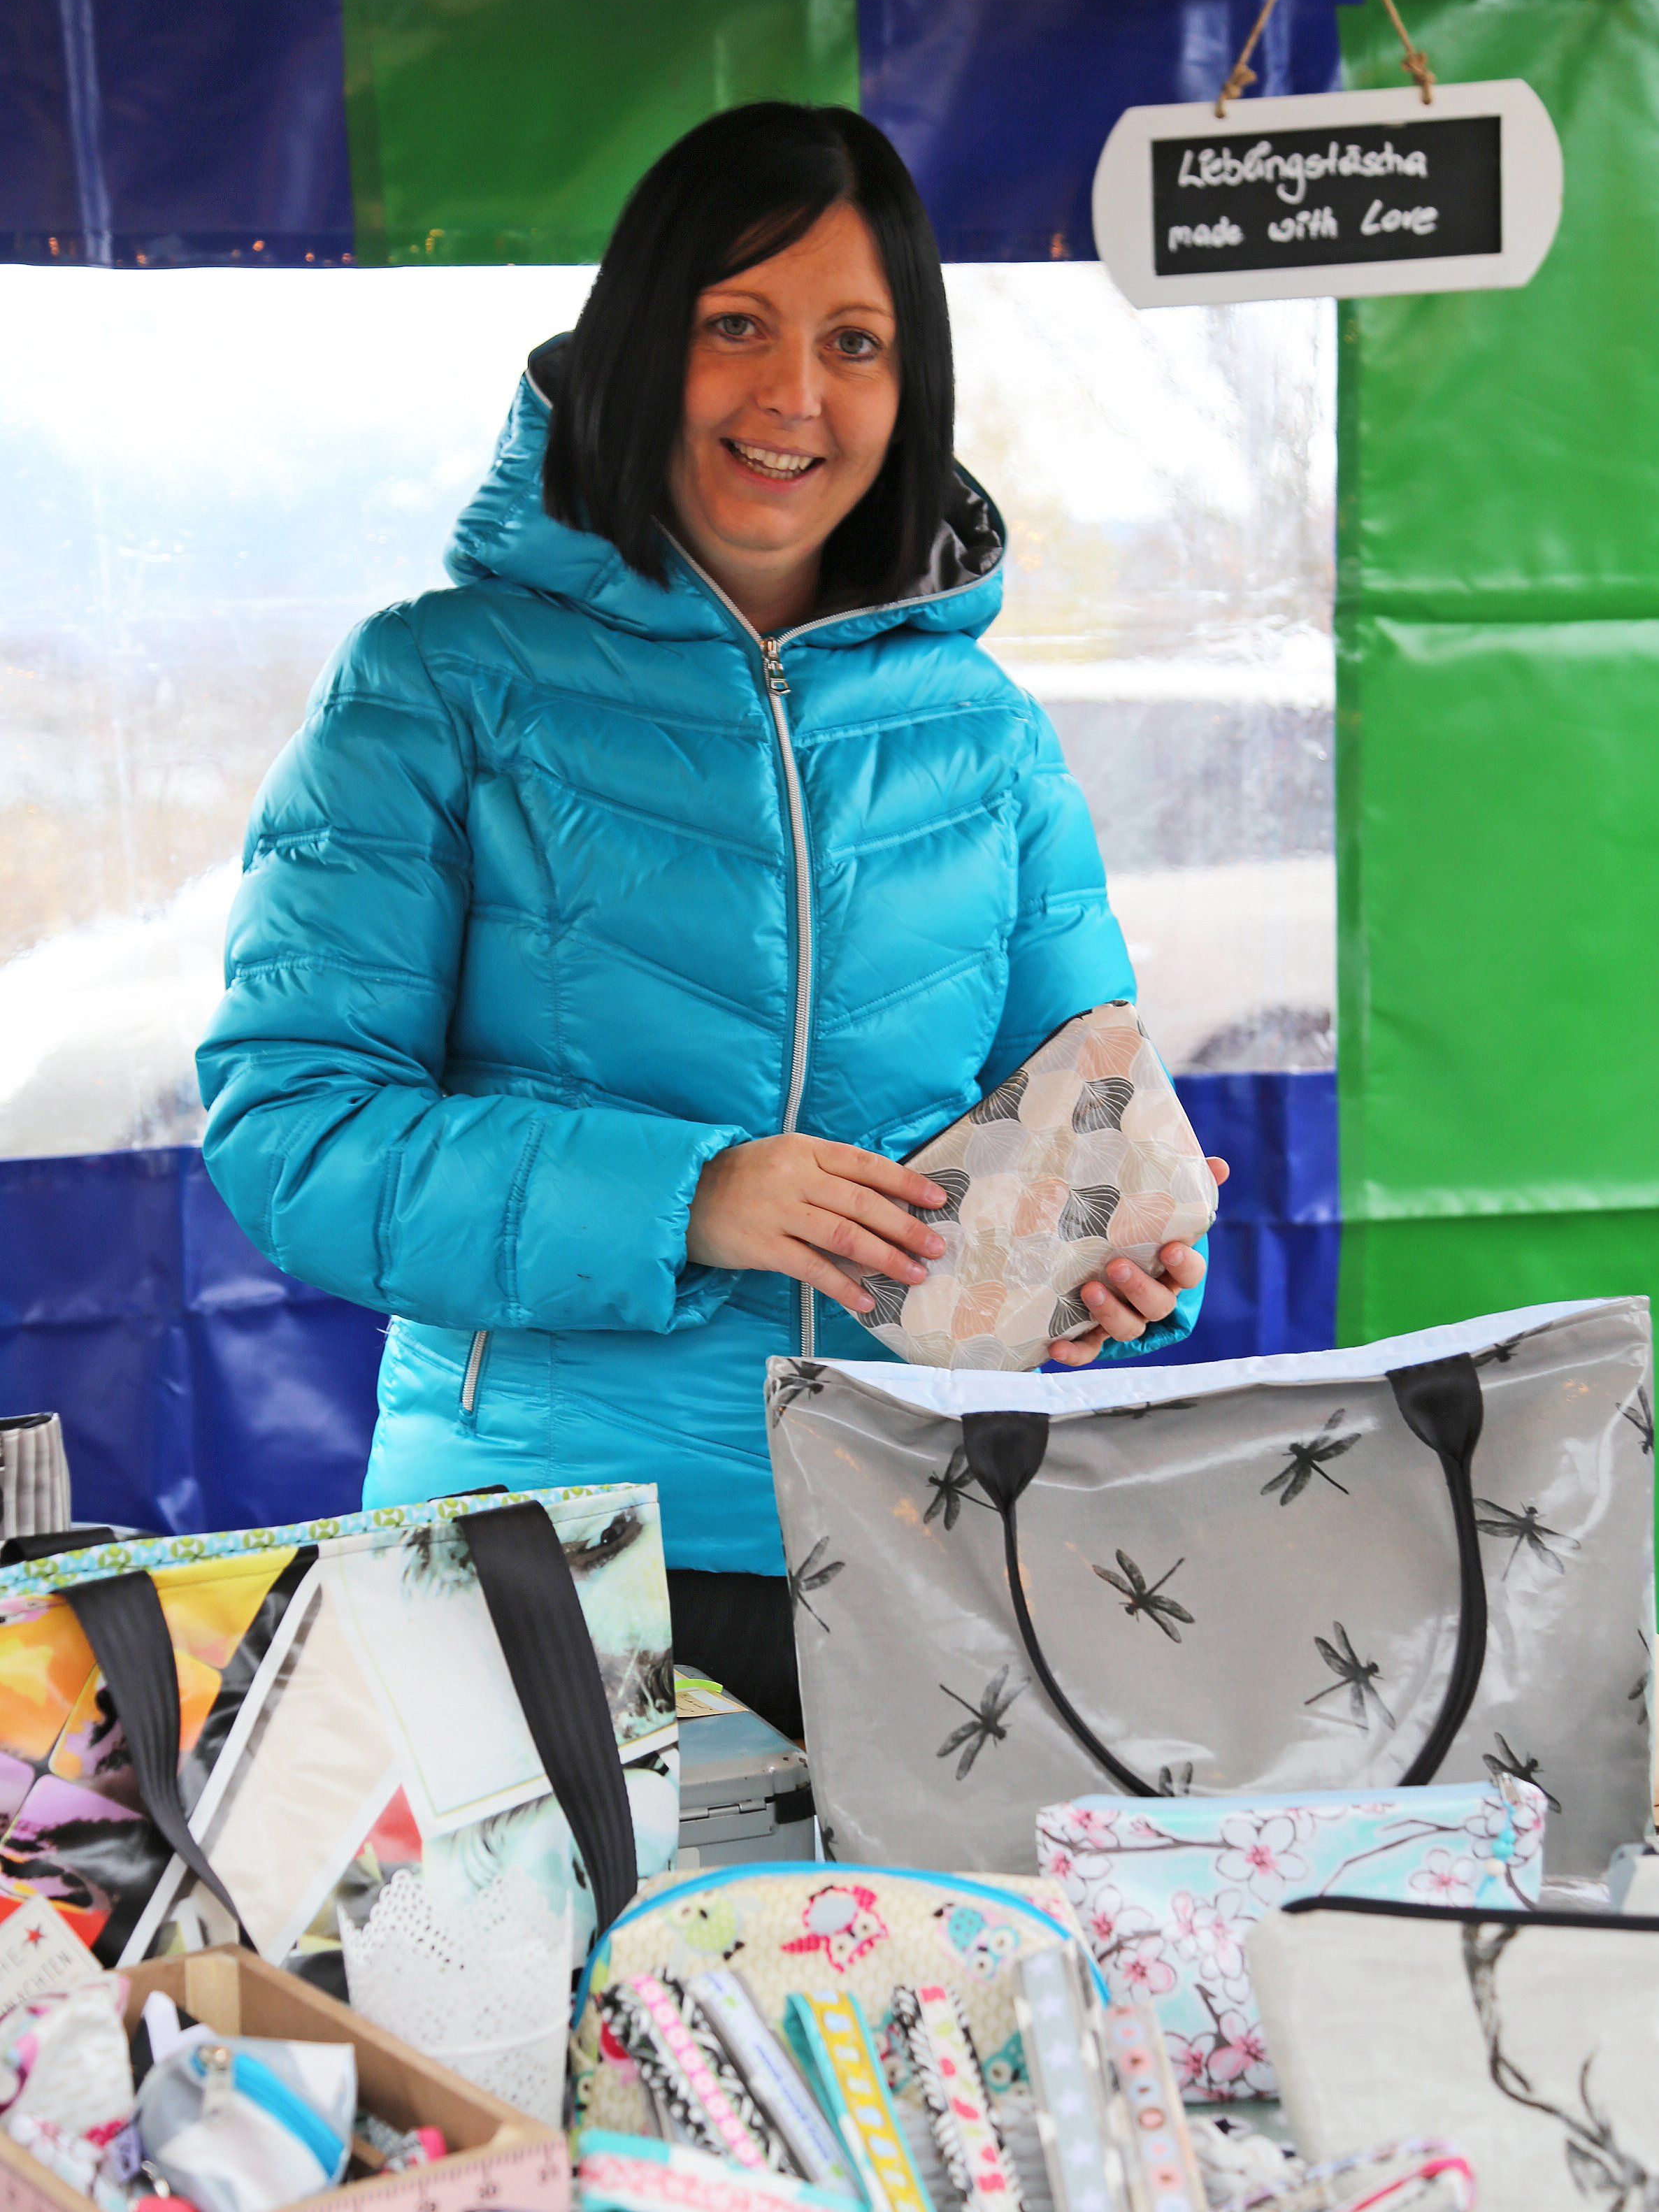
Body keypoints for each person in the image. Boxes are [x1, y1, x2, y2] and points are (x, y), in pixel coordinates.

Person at [197, 103, 1223, 1740]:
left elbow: (1072, 1101)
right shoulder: (433, 685)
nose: (794, 394)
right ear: (636, 346)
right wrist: (693, 1198)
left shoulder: (986, 737)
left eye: (854, 343)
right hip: (533, 1550)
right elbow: (294, 1135)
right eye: (734, 325)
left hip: (907, 1548)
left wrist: (1124, 1267)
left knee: (902, 1928)